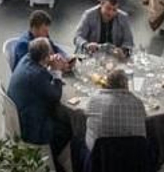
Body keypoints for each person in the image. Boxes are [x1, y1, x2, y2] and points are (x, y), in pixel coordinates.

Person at [8, 37, 78, 171]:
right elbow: (55, 96)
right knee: (67, 128)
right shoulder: (37, 75)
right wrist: (57, 72)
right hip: (32, 127)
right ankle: (52, 161)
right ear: (45, 57)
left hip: (20, 113)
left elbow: (42, 79)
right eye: (50, 54)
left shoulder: (26, 59)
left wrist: (49, 64)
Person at [84, 68, 148, 156]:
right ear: (126, 85)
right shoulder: (137, 103)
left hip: (100, 157)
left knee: (77, 140)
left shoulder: (94, 100)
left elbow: (86, 113)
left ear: (107, 84)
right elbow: (144, 118)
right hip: (133, 156)